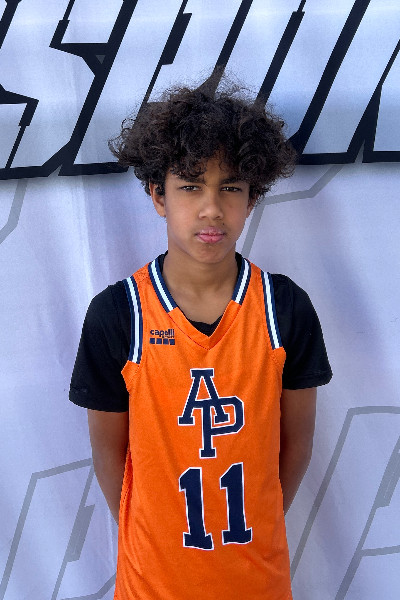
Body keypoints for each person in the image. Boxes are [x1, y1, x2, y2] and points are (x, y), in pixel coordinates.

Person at [70, 78, 332, 600]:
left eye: (230, 188)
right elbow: (110, 452)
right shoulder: (118, 314)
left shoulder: (284, 308)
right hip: (152, 583)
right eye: (191, 186)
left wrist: (257, 520)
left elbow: (297, 441)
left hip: (257, 581)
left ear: (252, 198)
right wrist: (155, 536)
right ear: (158, 195)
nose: (211, 209)